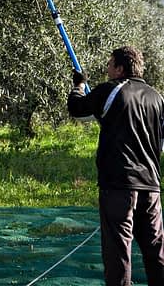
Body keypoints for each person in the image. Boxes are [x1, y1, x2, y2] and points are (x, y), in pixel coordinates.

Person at [68, 46, 164, 286]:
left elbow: (77, 110)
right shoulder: (157, 97)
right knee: (155, 250)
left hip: (118, 186)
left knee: (118, 252)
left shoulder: (110, 90)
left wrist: (78, 86)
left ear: (120, 68)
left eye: (110, 64)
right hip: (151, 186)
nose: (107, 69)